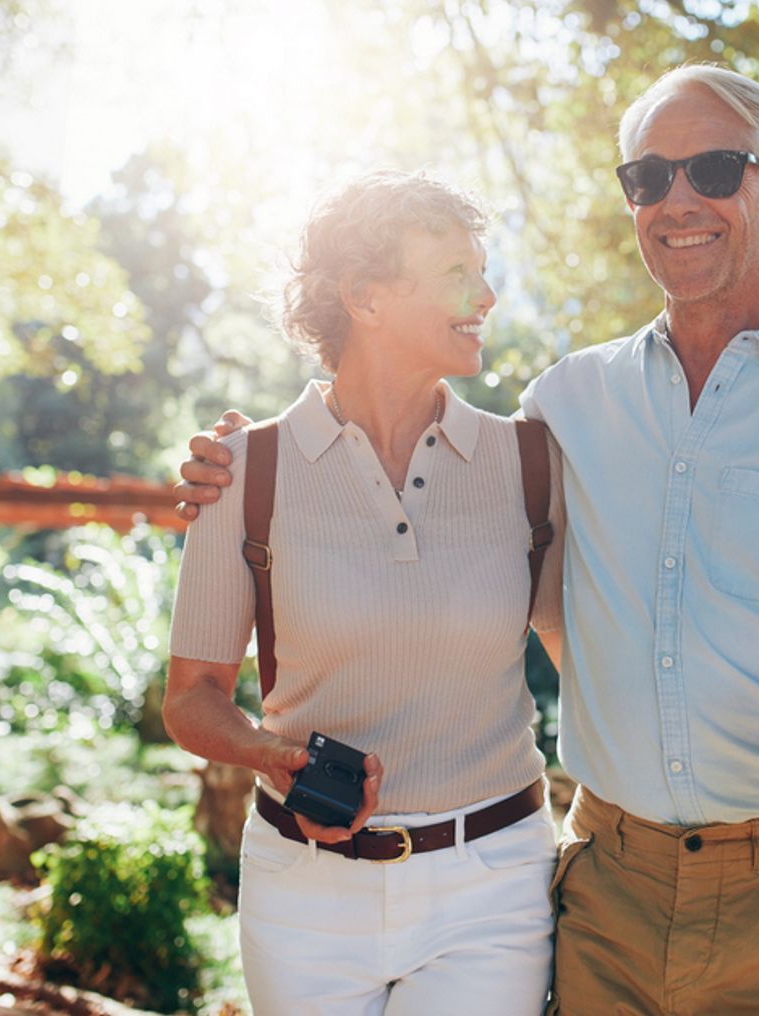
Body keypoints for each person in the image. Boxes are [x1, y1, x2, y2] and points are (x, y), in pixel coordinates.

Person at [176, 66, 759, 1015]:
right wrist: (239, 464)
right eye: (648, 178)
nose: (675, 200)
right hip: (608, 887)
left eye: (712, 169)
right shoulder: (564, 407)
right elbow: (407, 470)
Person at [163, 170, 566, 1016]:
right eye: (458, 271)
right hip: (302, 895)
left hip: (493, 885)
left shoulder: (530, 466)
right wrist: (276, 757)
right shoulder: (243, 473)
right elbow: (193, 701)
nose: (487, 295)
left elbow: (589, 661)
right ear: (367, 297)